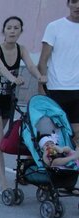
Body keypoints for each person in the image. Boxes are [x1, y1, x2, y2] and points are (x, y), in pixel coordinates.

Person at [0, 16, 45, 192]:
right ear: (4, 30)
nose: (12, 31)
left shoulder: (22, 49)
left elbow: (31, 66)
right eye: (9, 28)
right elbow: (0, 67)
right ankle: (4, 184)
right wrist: (12, 78)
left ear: (20, 31)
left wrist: (40, 77)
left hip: (7, 102)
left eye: (16, 28)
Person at [38, 0, 79, 147]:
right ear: (68, 4)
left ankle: (73, 167)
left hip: (77, 90)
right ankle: (43, 166)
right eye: (74, 1)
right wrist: (41, 91)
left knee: (77, 134)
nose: (77, 6)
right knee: (50, 134)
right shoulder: (55, 26)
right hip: (55, 89)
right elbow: (43, 60)